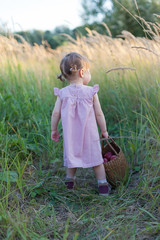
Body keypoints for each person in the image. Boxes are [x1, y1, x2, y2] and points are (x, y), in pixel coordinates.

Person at [51, 52, 110, 195]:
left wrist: (54, 129)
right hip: (90, 135)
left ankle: (69, 183)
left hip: (71, 136)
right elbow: (99, 114)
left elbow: (55, 113)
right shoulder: (91, 92)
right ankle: (102, 186)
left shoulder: (63, 93)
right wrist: (104, 130)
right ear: (82, 72)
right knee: (96, 159)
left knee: (72, 158)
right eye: (89, 71)